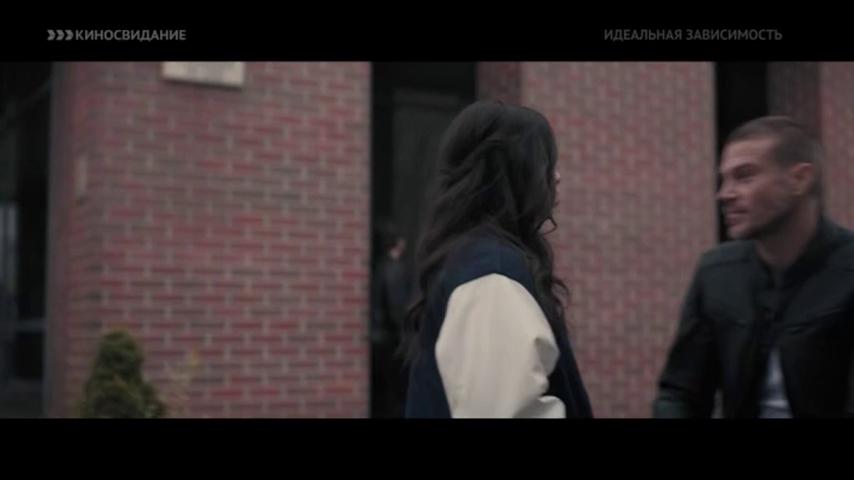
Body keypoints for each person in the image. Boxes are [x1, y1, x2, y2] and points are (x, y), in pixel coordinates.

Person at [402, 100, 592, 418]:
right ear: (512, 172)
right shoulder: (491, 273)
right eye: (545, 162)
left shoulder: (473, 259)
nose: (557, 177)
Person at [654, 116, 854, 418]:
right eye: (724, 180)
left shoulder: (847, 269)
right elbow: (680, 393)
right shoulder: (717, 273)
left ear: (800, 179)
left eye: (744, 176)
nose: (725, 194)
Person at [370, 221, 412, 417]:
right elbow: (397, 308)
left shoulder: (379, 266)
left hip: (379, 337)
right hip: (390, 338)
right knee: (396, 392)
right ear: (399, 243)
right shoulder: (395, 268)